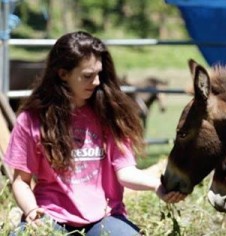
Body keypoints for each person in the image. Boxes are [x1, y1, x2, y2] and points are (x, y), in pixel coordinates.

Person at [4, 31, 186, 236]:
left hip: (104, 217)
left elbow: (125, 171)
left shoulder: (110, 115)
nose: (97, 82)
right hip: (50, 216)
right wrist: (31, 210)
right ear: (63, 74)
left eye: (99, 74)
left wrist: (156, 185)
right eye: (87, 76)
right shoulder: (31, 119)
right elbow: (21, 181)